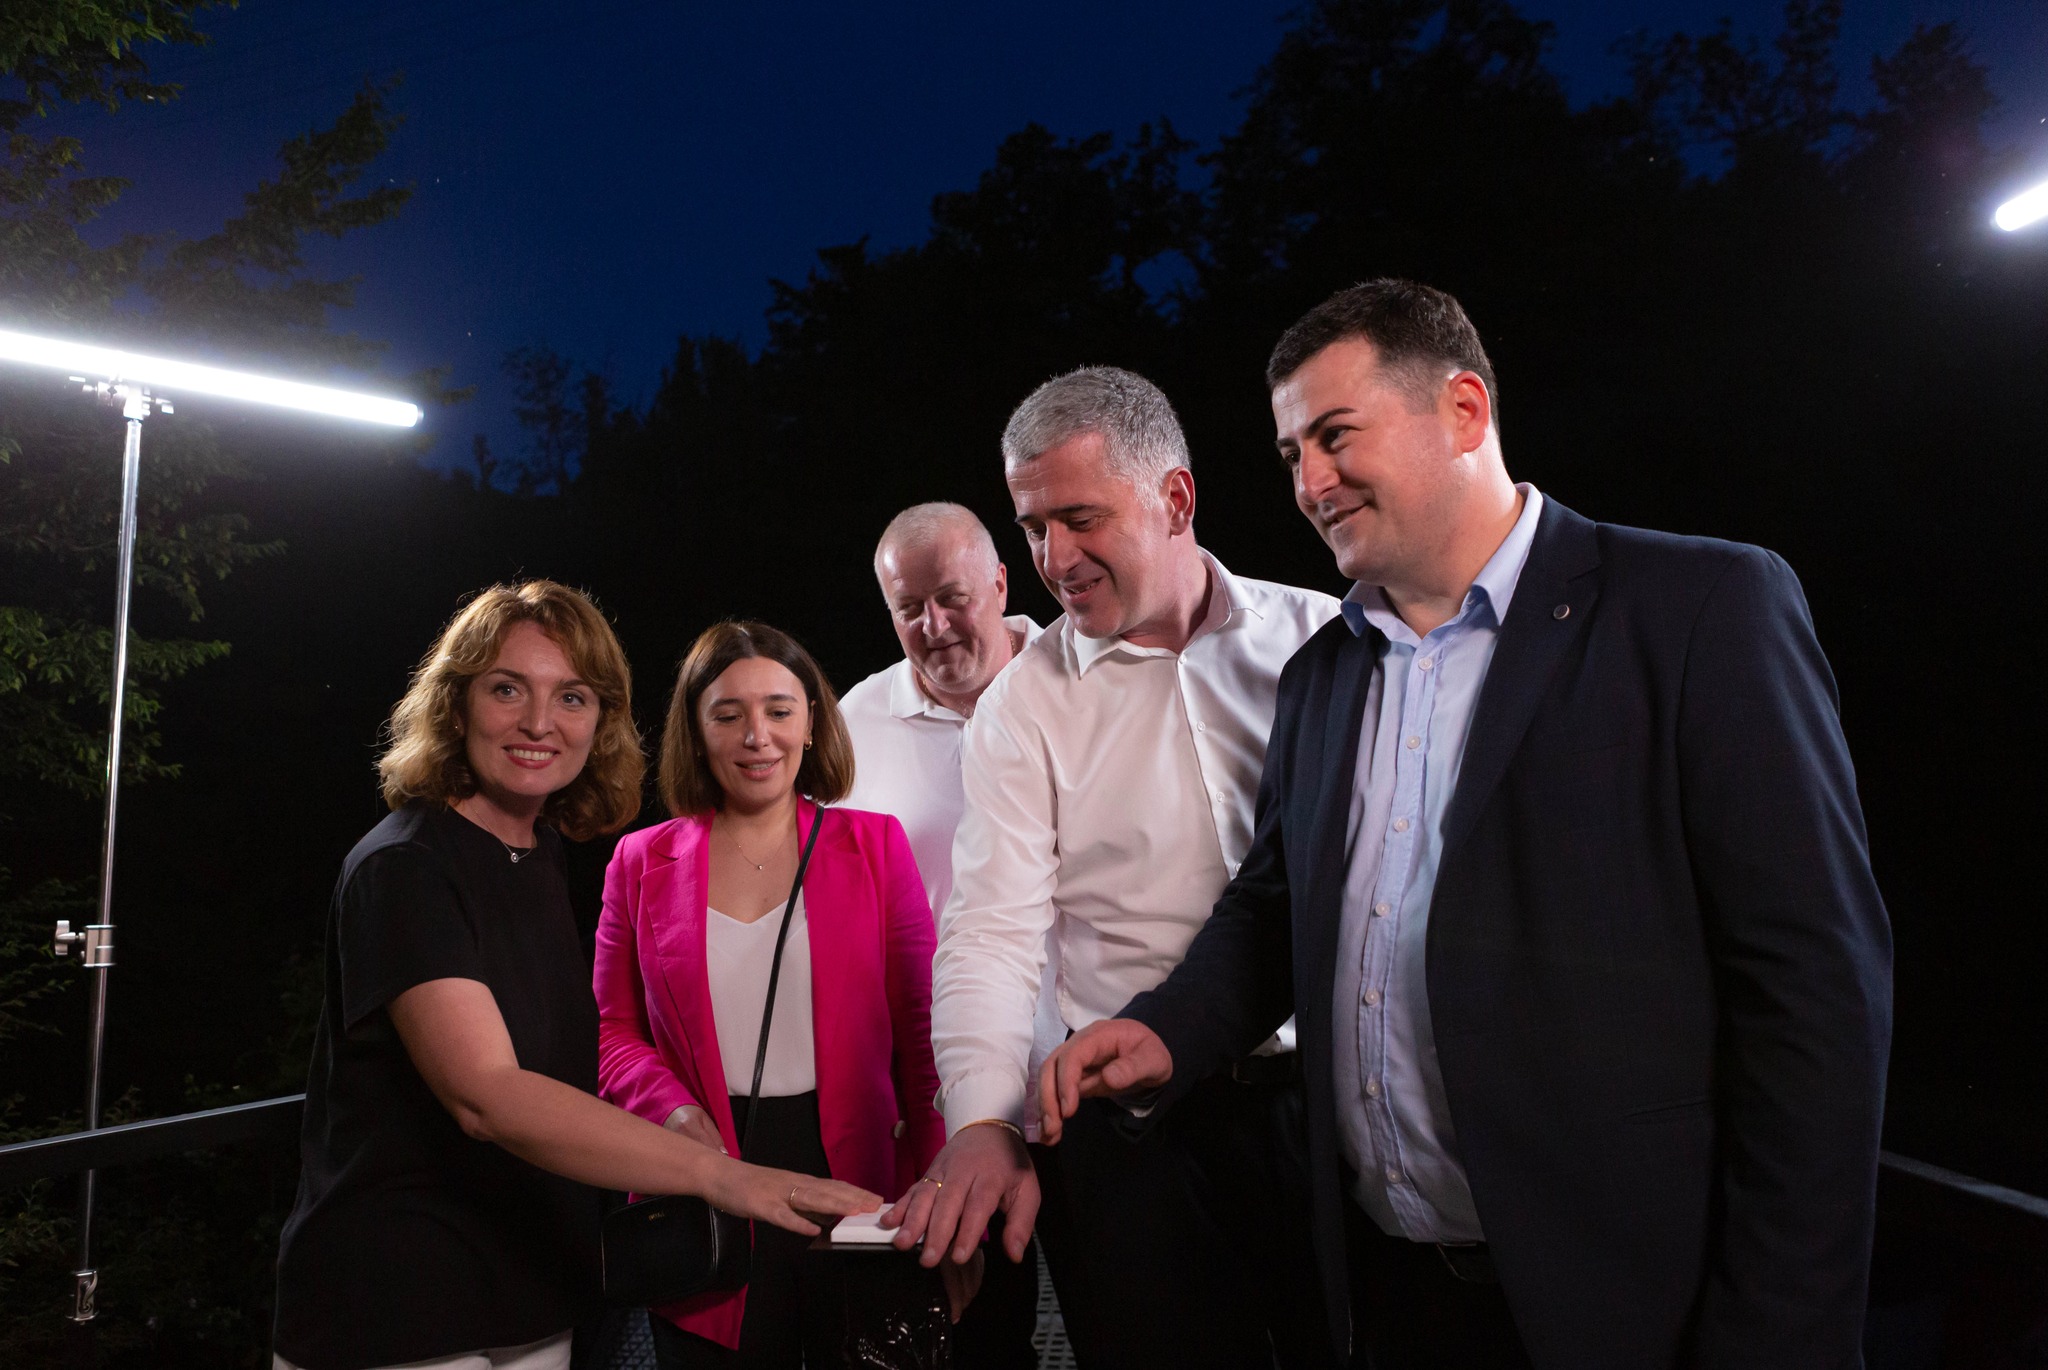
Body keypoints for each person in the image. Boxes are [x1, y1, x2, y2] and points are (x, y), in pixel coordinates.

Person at [1039, 280, 1894, 1369]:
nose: (1308, 482)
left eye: (1335, 435)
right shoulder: (1320, 673)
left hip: (1634, 1309)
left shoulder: (1699, 609)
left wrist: (1779, 1336)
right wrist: (1170, 1027)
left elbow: (1814, 993)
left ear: (1462, 410)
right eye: (1291, 453)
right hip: (1390, 1299)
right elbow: (1276, 902)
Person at [273, 583, 877, 1370]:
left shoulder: (536, 851)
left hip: (531, 1289)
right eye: (506, 689)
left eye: (571, 697)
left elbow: (576, 1046)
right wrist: (723, 1177)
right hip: (399, 1303)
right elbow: (487, 1096)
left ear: (601, 720)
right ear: (455, 705)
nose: (539, 722)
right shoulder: (403, 867)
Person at [884, 368, 1344, 1370]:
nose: (1053, 558)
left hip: (1328, 1103)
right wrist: (980, 1120)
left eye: (1080, 519)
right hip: (1131, 1139)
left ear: (1174, 498)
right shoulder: (1021, 706)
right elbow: (990, 933)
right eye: (1032, 527)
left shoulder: (1321, 640)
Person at [595, 620, 955, 1369]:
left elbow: (924, 1038)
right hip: (705, 1180)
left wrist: (941, 1190)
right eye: (728, 715)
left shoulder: (876, 845)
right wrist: (673, 1110)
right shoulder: (639, 860)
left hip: (861, 1188)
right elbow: (612, 1030)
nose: (757, 736)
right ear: (696, 733)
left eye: (779, 710)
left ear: (811, 722)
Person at [839, 502, 1051, 1370]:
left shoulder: (1082, 678)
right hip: (951, 1107)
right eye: (908, 608)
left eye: (953, 598)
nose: (933, 626)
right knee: (982, 1339)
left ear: (1000, 583)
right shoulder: (853, 726)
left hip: (1090, 1088)